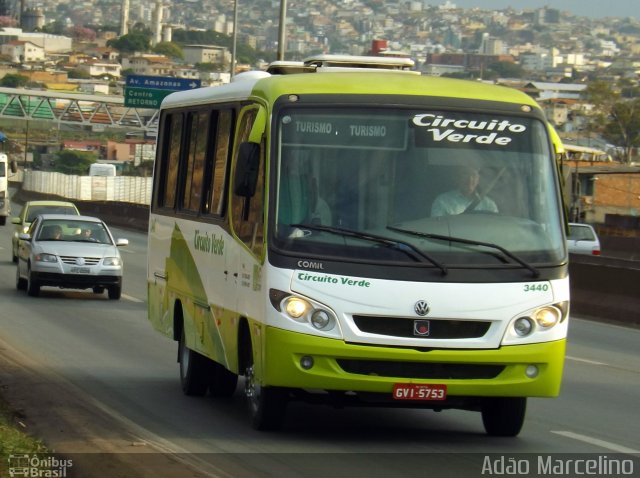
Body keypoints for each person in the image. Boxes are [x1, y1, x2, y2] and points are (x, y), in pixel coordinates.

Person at [431, 165, 498, 217]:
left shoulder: (488, 204)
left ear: (478, 179)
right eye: (465, 174)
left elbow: (495, 228)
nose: (470, 180)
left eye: (474, 175)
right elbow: (436, 228)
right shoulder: (442, 201)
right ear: (457, 178)